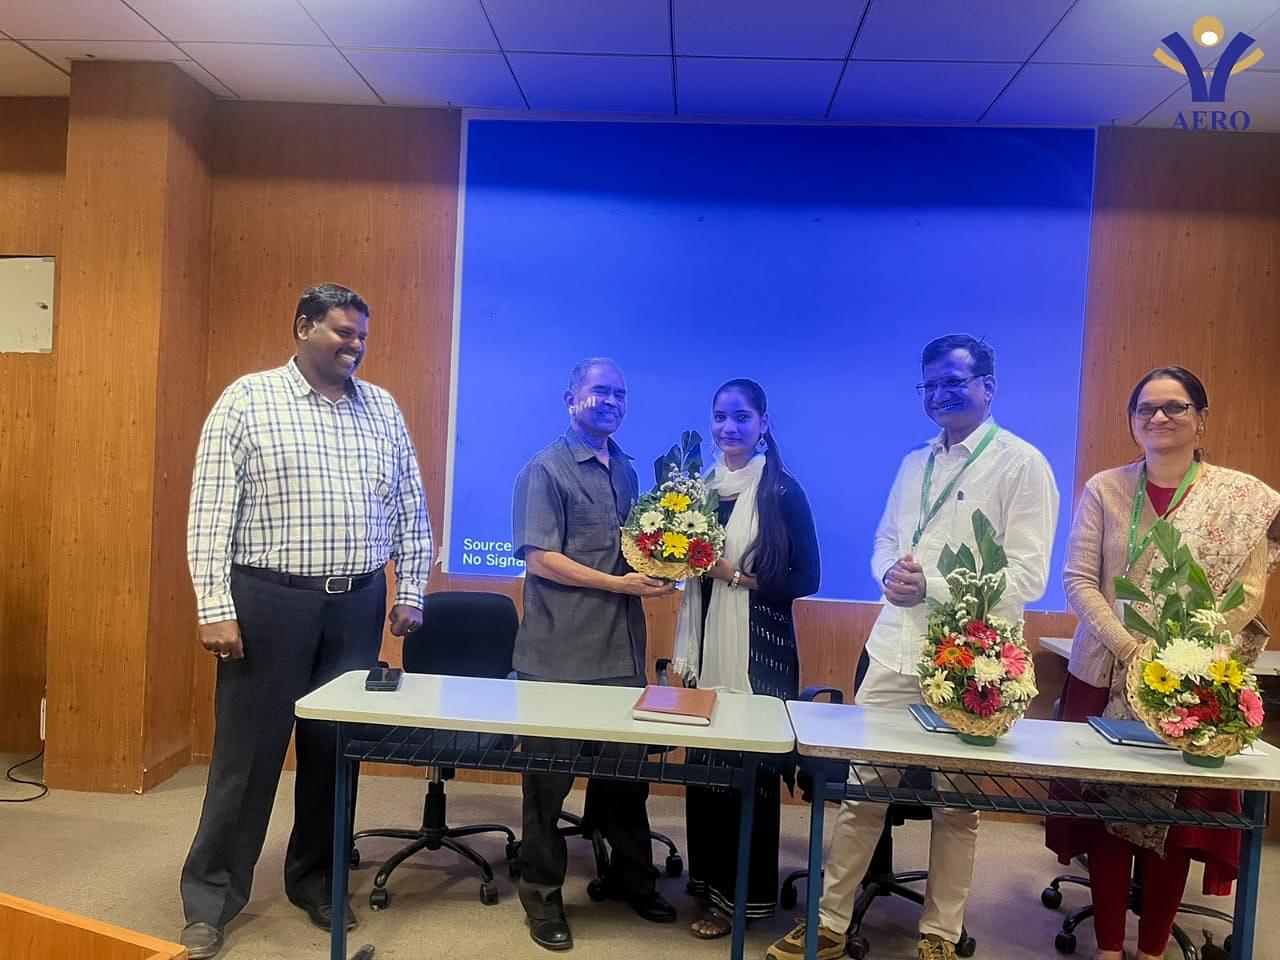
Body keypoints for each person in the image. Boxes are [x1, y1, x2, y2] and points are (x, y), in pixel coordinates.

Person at [767, 334, 1059, 960]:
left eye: (955, 381)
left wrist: (935, 586)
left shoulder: (1022, 464)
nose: (941, 394)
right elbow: (884, 542)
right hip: (894, 648)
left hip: (972, 661)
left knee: (957, 805)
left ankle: (940, 935)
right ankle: (829, 923)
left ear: (988, 386)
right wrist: (889, 576)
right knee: (862, 793)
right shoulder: (914, 463)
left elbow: (1029, 576)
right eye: (931, 384)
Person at [179, 284, 432, 960]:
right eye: (343, 332)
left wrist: (412, 588)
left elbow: (410, 506)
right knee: (247, 757)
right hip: (269, 603)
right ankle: (210, 899)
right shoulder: (247, 400)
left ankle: (318, 881)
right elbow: (211, 511)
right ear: (302, 327)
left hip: (356, 604)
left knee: (332, 754)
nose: (355, 346)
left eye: (362, 336)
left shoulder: (382, 409)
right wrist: (214, 607)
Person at [1045, 366, 1280, 960]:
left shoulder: (1242, 499)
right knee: (1105, 813)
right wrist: (1132, 651)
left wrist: (1184, 658)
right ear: (1132, 422)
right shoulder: (1105, 488)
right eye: (1146, 408)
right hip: (1104, 672)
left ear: (1201, 419)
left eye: (1175, 407)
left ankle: (1151, 949)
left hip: (1192, 683)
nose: (1159, 417)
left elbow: (1248, 593)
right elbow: (1078, 580)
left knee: (1173, 823)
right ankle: (1108, 947)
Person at [510, 357, 677, 951]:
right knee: (547, 787)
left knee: (627, 780)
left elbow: (634, 549)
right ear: (571, 399)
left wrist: (668, 563)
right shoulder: (545, 469)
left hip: (621, 653)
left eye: (620, 394)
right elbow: (540, 559)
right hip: (558, 655)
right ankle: (542, 896)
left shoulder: (626, 470)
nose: (611, 402)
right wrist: (619, 585)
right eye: (600, 391)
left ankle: (632, 879)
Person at [672, 378, 820, 939]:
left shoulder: (781, 491)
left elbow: (807, 578)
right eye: (720, 416)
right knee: (706, 770)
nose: (728, 427)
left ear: (763, 424)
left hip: (760, 655)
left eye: (741, 417)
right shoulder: (698, 488)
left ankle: (743, 900)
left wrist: (736, 576)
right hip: (704, 648)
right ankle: (707, 884)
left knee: (746, 775)